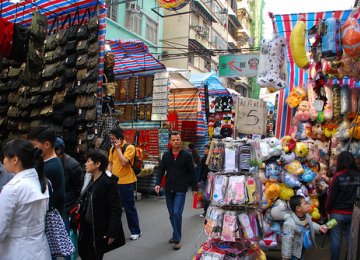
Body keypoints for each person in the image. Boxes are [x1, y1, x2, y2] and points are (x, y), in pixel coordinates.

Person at [0, 139, 51, 259]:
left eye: (5, 157)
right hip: (40, 248)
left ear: (15, 159)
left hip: (17, 250)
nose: (3, 161)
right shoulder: (43, 182)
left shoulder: (12, 189)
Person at [78, 149, 125, 260]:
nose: (85, 164)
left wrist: (112, 232)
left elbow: (116, 209)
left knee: (94, 255)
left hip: (100, 229)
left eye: (88, 161)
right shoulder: (90, 179)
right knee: (84, 252)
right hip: (88, 227)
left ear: (97, 164)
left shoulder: (108, 183)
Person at [154, 131, 198, 250]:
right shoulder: (166, 155)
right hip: (169, 189)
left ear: (181, 141)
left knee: (177, 213)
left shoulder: (186, 156)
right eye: (173, 140)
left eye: (177, 139)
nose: (175, 142)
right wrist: (157, 183)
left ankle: (177, 239)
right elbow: (161, 170)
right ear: (170, 142)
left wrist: (195, 188)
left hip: (180, 189)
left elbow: (192, 173)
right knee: (171, 214)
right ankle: (175, 235)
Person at [108, 127, 141, 240]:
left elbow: (123, 162)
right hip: (114, 182)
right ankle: (115, 233)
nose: (112, 141)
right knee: (114, 209)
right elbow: (110, 163)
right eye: (111, 139)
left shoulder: (130, 148)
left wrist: (117, 149)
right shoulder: (112, 149)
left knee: (129, 207)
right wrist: (108, 176)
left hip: (126, 182)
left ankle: (136, 231)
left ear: (120, 138)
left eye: (113, 139)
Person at [326, 151, 360, 260]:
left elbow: (331, 196)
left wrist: (327, 210)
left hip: (337, 214)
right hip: (354, 213)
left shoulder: (338, 176)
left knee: (335, 240)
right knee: (352, 240)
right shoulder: (358, 175)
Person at [54, 137, 84, 259]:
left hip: (67, 206)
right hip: (54, 206)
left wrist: (76, 206)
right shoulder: (49, 163)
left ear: (58, 150)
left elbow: (79, 189)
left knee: (67, 236)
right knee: (54, 237)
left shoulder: (72, 164)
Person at [28, 126, 65, 215]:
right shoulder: (48, 162)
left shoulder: (51, 167)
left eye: (34, 146)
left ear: (47, 145)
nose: (31, 149)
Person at [282, 195, 328, 260]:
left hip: (301, 249)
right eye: (305, 203)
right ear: (298, 208)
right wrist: (286, 257)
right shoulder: (290, 223)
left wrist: (319, 228)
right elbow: (287, 241)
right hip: (294, 254)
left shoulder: (306, 216)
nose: (308, 204)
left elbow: (310, 224)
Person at [199, 144, 210, 218]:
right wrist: (199, 180)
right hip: (203, 179)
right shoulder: (203, 159)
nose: (204, 151)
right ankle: (205, 211)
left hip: (209, 180)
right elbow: (201, 170)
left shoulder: (211, 159)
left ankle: (207, 212)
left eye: (206, 149)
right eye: (204, 149)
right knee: (204, 196)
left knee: (208, 197)